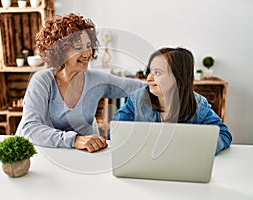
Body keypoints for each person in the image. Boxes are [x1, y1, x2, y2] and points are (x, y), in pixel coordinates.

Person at [16, 13, 144, 153]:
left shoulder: (97, 80)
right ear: (61, 50)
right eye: (78, 48)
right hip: (40, 153)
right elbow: (30, 128)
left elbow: (138, 87)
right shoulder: (42, 81)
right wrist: (75, 140)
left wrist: (164, 82)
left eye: (89, 46)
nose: (87, 53)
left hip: (78, 156)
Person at [113, 47, 232, 155]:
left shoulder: (198, 105)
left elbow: (223, 134)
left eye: (158, 73)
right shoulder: (136, 99)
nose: (149, 78)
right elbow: (116, 131)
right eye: (150, 72)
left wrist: (200, 149)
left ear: (178, 77)